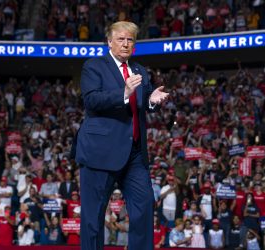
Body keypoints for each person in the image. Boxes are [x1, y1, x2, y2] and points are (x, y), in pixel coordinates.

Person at [75, 21, 169, 250]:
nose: (126, 44)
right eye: (121, 39)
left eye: (130, 40)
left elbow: (143, 103)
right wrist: (124, 93)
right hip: (99, 153)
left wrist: (152, 101)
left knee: (144, 207)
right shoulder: (94, 66)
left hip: (134, 154)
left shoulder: (140, 71)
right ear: (109, 41)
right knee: (93, 219)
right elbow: (91, 100)